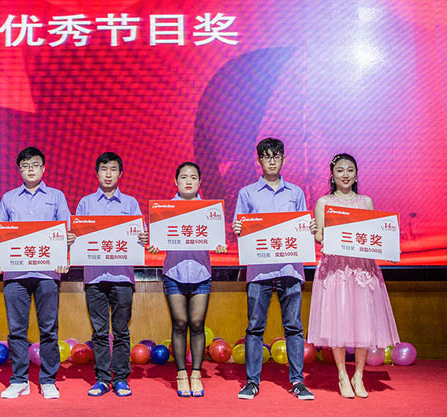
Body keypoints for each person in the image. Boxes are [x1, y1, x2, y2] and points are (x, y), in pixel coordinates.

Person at [307, 153, 400, 398]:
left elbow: (373, 234)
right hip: (336, 268)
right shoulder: (324, 202)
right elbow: (319, 236)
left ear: (356, 174)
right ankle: (341, 374)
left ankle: (358, 375)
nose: (345, 175)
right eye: (340, 170)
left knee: (363, 323)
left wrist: (389, 247)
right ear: (332, 175)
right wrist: (318, 234)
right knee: (337, 322)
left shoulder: (366, 201)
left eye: (350, 170)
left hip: (362, 269)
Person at [233, 138, 316, 400]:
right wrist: (238, 228)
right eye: (266, 156)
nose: (271, 161)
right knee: (255, 327)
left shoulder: (296, 193)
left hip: (289, 268)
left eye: (276, 156)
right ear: (258, 160)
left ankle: (298, 381)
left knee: (293, 327)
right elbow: (240, 229)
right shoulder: (247, 193)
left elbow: (303, 228)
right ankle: (252, 382)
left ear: (283, 159)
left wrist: (310, 228)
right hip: (259, 271)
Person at [0, 147, 74, 400]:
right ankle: (19, 380)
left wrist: (65, 257)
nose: (30, 170)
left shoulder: (56, 197)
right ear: (19, 170)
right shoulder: (8, 198)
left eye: (35, 165)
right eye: (25, 165)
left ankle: (48, 380)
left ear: (43, 168)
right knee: (16, 330)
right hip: (15, 274)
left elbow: (67, 232)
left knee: (48, 329)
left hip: (47, 273)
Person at [148, 162, 226, 397]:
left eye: (193, 177)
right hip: (175, 272)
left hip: (201, 272)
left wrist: (220, 244)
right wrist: (154, 244)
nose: (188, 181)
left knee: (198, 323)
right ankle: (181, 374)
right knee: (180, 323)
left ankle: (196, 374)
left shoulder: (210, 211)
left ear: (200, 182)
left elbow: (217, 238)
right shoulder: (165, 210)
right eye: (183, 177)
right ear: (176, 181)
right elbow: (156, 238)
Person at [75, 152, 149, 397]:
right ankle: (102, 379)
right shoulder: (86, 203)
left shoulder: (130, 204)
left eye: (113, 169)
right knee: (99, 332)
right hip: (94, 277)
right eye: (104, 169)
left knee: (121, 332)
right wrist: (73, 237)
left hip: (122, 277)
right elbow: (78, 235)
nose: (108, 174)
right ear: (97, 173)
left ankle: (121, 379)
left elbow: (140, 236)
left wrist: (143, 237)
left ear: (120, 174)